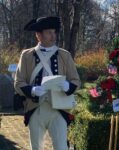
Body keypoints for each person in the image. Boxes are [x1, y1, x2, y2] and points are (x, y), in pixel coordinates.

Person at [14, 16, 81, 150]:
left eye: (54, 32)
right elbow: (18, 82)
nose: (53, 35)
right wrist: (32, 90)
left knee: (61, 147)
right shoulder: (26, 55)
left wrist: (68, 86)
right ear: (38, 35)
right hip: (35, 108)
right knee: (36, 147)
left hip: (58, 109)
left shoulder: (64, 55)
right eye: (49, 32)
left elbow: (76, 80)